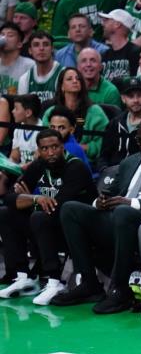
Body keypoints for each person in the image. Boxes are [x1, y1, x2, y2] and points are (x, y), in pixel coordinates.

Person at [51, 116, 141, 313]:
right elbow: (112, 192)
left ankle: (120, 289)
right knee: (71, 209)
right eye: (139, 140)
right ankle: (89, 282)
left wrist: (132, 203)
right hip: (118, 219)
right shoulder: (130, 161)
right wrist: (100, 202)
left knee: (124, 212)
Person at [0, 129, 96, 305]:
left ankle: (54, 281)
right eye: (44, 149)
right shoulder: (39, 165)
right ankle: (24, 276)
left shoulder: (76, 167)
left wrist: (28, 200)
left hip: (78, 229)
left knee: (39, 217)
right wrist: (36, 198)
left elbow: (57, 206)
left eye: (55, 147)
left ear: (62, 147)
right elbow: (9, 198)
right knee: (6, 213)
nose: (50, 153)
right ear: (38, 150)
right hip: (49, 224)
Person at [41, 67, 109, 163]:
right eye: (69, 79)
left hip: (86, 162)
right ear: (62, 86)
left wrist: (79, 148)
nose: (75, 81)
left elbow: (104, 142)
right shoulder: (51, 112)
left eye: (78, 79)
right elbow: (43, 138)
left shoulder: (95, 112)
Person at [97, 77, 141, 170]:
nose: (136, 100)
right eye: (131, 96)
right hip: (115, 173)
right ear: (123, 99)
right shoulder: (115, 123)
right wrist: (105, 170)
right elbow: (104, 156)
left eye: (139, 95)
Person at [17, 30, 63, 103]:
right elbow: (23, 109)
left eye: (45, 44)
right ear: (30, 50)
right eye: (36, 45)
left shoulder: (63, 74)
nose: (41, 48)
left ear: (52, 49)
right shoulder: (25, 79)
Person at [100, 8, 140, 82]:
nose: (103, 24)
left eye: (107, 20)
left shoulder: (135, 53)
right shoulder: (104, 56)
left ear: (117, 24)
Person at [48, 105, 91, 170]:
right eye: (52, 127)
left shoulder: (72, 149)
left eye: (61, 128)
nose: (55, 132)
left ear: (71, 130)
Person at [8, 94, 43, 168]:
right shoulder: (18, 129)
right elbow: (14, 157)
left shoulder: (42, 131)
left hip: (35, 170)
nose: (12, 111)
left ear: (28, 113)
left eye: (16, 108)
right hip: (20, 169)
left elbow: (38, 160)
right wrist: (8, 165)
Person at [0, 22, 35, 95]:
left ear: (19, 44)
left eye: (10, 35)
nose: (4, 38)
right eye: (2, 34)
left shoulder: (29, 65)